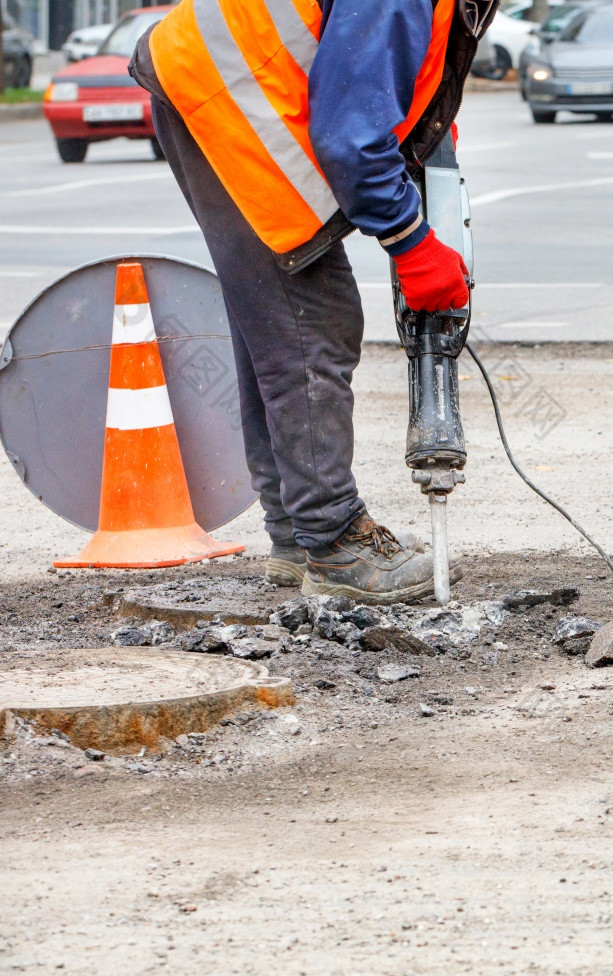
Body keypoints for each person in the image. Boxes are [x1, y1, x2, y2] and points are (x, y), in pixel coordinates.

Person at [130, 0, 490, 605]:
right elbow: (349, 138)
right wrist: (412, 244)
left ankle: (296, 535)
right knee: (310, 320)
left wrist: (424, 120)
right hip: (233, 95)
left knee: (271, 314)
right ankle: (332, 540)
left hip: (207, 77)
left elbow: (377, 70)